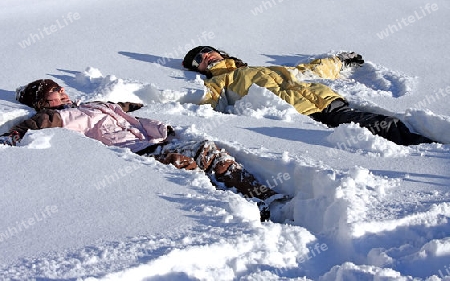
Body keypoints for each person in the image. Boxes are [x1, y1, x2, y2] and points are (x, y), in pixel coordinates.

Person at [1, 79, 286, 221]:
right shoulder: (65, 117)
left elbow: (121, 110)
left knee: (206, 149)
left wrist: (146, 115)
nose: (65, 96)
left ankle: (260, 194)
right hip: (135, 153)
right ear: (44, 103)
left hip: (151, 140)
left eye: (63, 92)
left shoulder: (90, 105)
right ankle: (239, 213)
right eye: (56, 96)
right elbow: (36, 124)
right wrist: (13, 134)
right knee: (181, 164)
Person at [182, 46, 434, 146]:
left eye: (206, 51)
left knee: (371, 125)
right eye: (199, 59)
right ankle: (428, 148)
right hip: (306, 112)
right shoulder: (220, 80)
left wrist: (337, 61)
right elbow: (207, 100)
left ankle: (425, 145)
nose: (205, 56)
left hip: (324, 99)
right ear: (199, 69)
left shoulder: (257, 69)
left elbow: (305, 71)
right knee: (378, 125)